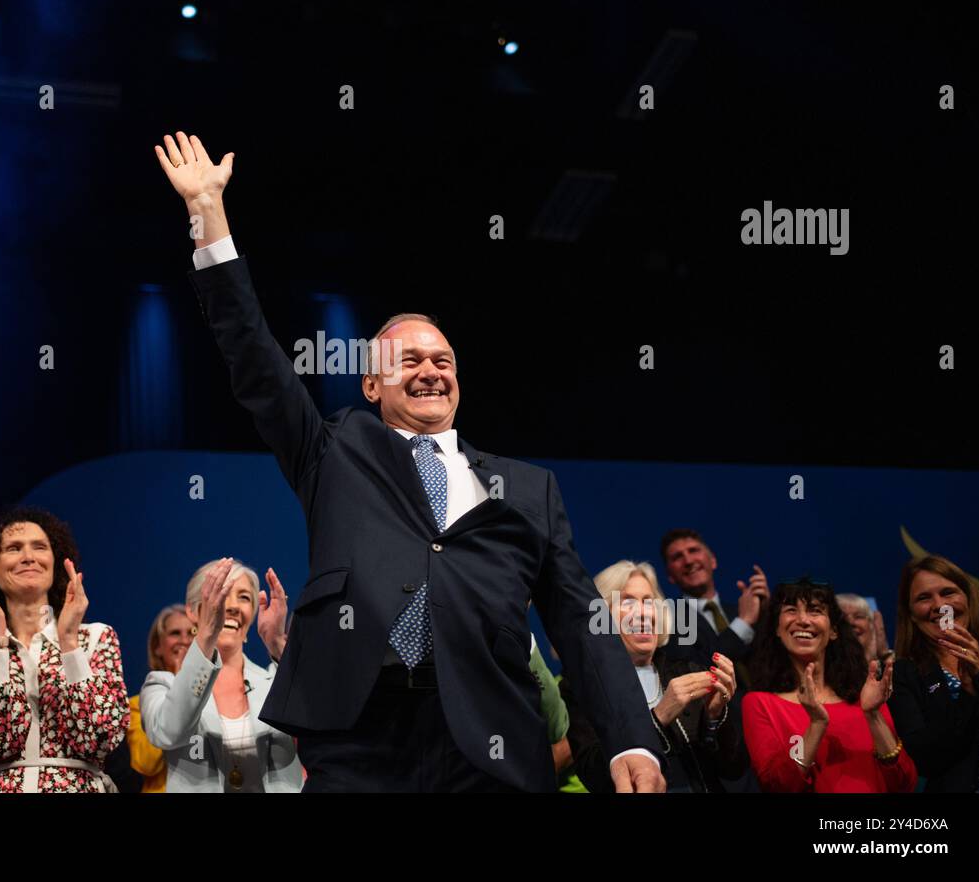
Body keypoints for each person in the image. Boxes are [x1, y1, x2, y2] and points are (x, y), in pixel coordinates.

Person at [154, 130, 664, 792]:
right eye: (409, 360)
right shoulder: (333, 451)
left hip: (492, 741)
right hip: (360, 739)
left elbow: (579, 619)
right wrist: (208, 217)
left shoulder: (529, 490)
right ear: (372, 385)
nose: (430, 371)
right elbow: (254, 358)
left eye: (443, 361)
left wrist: (633, 741)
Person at [0, 507, 127, 792]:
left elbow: (98, 740)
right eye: (14, 548)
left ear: (55, 561)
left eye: (39, 547)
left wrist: (68, 642)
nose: (28, 557)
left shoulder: (96, 638)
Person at [563, 561, 748, 793]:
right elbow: (595, 776)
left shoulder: (688, 670)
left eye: (648, 602)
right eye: (627, 601)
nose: (642, 612)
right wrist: (660, 716)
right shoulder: (581, 687)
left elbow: (733, 769)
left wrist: (714, 717)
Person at [741, 578, 916, 793]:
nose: (803, 620)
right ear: (777, 629)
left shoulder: (867, 696)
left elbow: (905, 783)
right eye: (791, 610)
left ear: (833, 631)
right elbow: (779, 786)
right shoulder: (760, 704)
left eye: (815, 611)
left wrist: (873, 715)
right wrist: (816, 724)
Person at [141, 558, 301, 792]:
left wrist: (277, 642)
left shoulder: (277, 679)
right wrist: (206, 636)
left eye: (244, 597)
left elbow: (320, 721)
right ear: (193, 611)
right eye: (222, 593)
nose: (233, 606)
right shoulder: (162, 685)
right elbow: (168, 734)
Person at [888, 555, 979, 792]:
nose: (939, 606)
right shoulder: (904, 675)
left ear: (969, 599)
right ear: (911, 614)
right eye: (924, 598)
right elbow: (925, 759)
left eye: (948, 593)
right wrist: (968, 693)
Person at [660, 528, 769, 681]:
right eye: (677, 557)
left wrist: (768, 615)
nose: (689, 561)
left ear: (713, 561)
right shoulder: (669, 618)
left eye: (693, 550)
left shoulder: (741, 611)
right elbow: (697, 670)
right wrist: (743, 623)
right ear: (670, 576)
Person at [128, 603, 191, 793]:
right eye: (175, 633)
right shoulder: (137, 705)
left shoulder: (217, 697)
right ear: (157, 647)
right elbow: (146, 763)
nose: (185, 640)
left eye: (192, 632)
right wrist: (179, 688)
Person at [836, 593, 888, 666]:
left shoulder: (890, 666)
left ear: (871, 626)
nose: (851, 622)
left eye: (858, 616)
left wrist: (884, 655)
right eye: (842, 617)